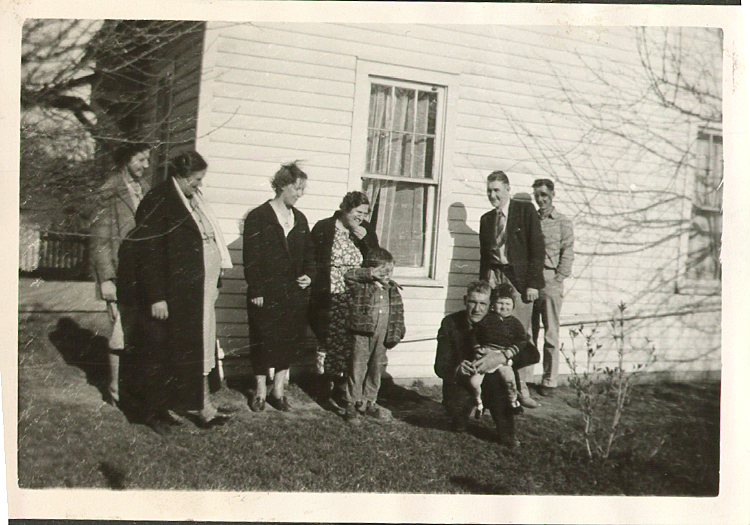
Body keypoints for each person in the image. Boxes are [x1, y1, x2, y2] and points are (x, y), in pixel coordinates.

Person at [127, 150, 234, 434]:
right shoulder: (159, 199)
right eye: (197, 179)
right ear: (183, 176)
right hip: (166, 295)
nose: (200, 185)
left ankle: (174, 407)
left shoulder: (188, 199)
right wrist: (156, 295)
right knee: (156, 354)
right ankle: (150, 412)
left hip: (189, 294)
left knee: (177, 354)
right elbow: (146, 251)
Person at [243, 161, 315, 413]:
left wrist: (309, 275)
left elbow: (309, 255)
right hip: (266, 293)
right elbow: (251, 258)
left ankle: (278, 391)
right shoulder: (258, 217)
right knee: (262, 340)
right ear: (283, 185)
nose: (300, 194)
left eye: (303, 189)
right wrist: (257, 290)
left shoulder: (300, 219)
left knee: (288, 341)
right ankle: (260, 392)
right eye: (297, 188)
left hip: (293, 293)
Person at [89, 142, 151, 407]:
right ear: (126, 160)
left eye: (147, 160)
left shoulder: (145, 189)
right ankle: (114, 390)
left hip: (141, 271)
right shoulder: (109, 190)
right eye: (140, 160)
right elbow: (99, 240)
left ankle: (131, 385)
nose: (146, 165)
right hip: (117, 271)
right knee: (118, 329)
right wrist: (106, 279)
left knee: (137, 331)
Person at [479, 170, 545, 409]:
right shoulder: (487, 219)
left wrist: (533, 284)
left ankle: (523, 389)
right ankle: (494, 389)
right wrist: (483, 285)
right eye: (489, 191)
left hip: (518, 279)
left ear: (507, 189)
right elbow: (483, 257)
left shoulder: (524, 211)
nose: (492, 195)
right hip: (494, 275)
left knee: (521, 333)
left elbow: (537, 249)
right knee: (492, 329)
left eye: (496, 190)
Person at [434, 280, 525, 447]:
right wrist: (458, 367)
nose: (477, 309)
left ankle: (506, 431)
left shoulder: (504, 322)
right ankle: (461, 416)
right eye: (472, 302)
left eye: (482, 304)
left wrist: (502, 357)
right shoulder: (450, 323)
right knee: (458, 422)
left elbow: (532, 353)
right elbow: (440, 365)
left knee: (499, 383)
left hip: (494, 379)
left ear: (490, 304)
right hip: (463, 380)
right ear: (464, 300)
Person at [309, 191, 379, 405]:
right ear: (345, 209)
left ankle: (344, 387)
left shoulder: (365, 230)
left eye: (365, 213)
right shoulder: (324, 227)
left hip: (356, 295)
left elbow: (377, 258)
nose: (361, 217)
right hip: (329, 293)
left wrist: (365, 240)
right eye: (358, 212)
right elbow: (311, 257)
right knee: (327, 340)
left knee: (352, 341)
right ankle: (324, 386)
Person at [342, 247, 405, 423]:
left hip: (383, 336)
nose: (387, 275)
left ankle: (369, 401)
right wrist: (370, 274)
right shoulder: (362, 286)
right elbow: (349, 275)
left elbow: (399, 312)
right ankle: (351, 404)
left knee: (376, 369)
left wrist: (399, 331)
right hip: (362, 335)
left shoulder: (392, 289)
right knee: (357, 368)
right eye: (383, 271)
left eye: (390, 271)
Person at [531, 179, 574, 397]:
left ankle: (549, 380)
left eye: (544, 195)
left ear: (553, 195)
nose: (540, 200)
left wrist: (557, 279)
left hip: (550, 280)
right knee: (529, 331)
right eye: (537, 195)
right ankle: (525, 379)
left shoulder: (562, 222)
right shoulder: (531, 220)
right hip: (530, 281)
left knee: (550, 333)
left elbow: (567, 252)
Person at [466, 283, 531, 417]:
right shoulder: (486, 320)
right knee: (474, 381)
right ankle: (478, 403)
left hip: (503, 355)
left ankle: (514, 402)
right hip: (485, 353)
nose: (504, 307)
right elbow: (474, 334)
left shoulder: (515, 323)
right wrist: (477, 348)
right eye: (500, 303)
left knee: (509, 378)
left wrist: (509, 353)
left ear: (513, 306)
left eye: (508, 304)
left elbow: (522, 340)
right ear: (493, 305)